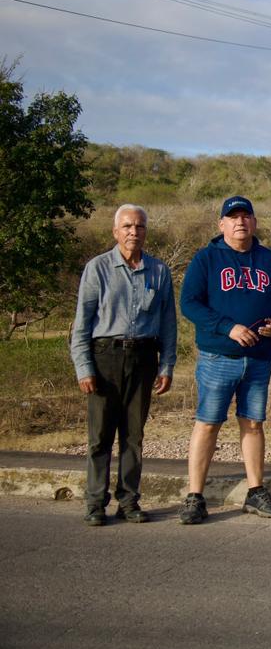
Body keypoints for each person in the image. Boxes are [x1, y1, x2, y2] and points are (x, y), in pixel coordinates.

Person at [178, 196, 271, 525]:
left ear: (254, 222)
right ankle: (195, 496)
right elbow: (189, 303)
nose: (240, 222)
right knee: (207, 423)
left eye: (246, 216)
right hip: (219, 356)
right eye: (233, 217)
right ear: (222, 224)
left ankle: (255, 491)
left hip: (258, 359)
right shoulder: (207, 259)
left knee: (253, 424)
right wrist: (228, 327)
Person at [69, 204, 177, 525]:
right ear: (115, 232)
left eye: (140, 226)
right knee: (100, 435)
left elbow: (169, 324)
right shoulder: (98, 268)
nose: (134, 232)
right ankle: (95, 503)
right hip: (105, 357)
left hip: (144, 358)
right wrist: (84, 368)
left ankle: (129, 500)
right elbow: (81, 324)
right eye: (127, 226)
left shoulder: (159, 271)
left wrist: (167, 365)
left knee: (134, 435)